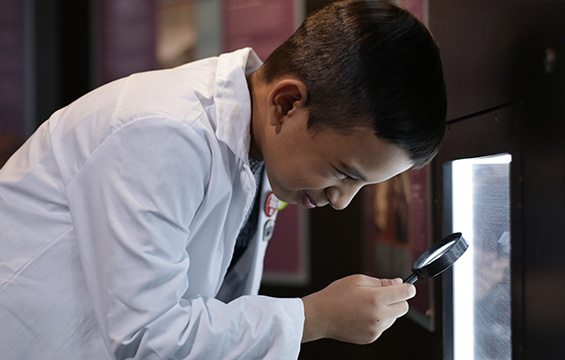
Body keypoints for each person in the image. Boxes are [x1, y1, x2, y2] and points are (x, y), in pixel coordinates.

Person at [0, 0, 446, 358]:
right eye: (343, 172)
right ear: (286, 104)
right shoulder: (164, 131)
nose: (342, 200)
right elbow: (150, 338)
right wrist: (314, 318)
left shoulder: (256, 147)